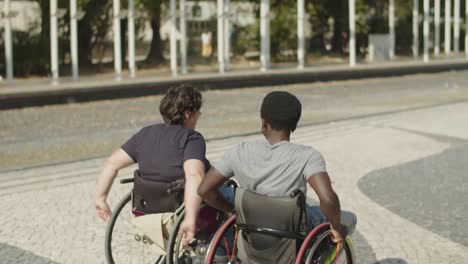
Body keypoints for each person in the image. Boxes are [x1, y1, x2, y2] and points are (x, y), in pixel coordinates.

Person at [198, 91, 356, 245]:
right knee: (349, 219)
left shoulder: (239, 151)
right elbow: (328, 199)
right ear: (294, 125)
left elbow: (204, 190)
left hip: (251, 234)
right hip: (292, 234)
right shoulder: (308, 156)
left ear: (263, 123)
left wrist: (232, 210)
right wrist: (336, 227)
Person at [94, 84, 209, 246]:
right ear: (188, 114)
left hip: (145, 209)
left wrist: (100, 198)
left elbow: (111, 163)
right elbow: (194, 175)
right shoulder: (192, 138)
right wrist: (190, 218)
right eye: (198, 112)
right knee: (228, 198)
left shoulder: (145, 133)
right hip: (177, 208)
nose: (199, 116)